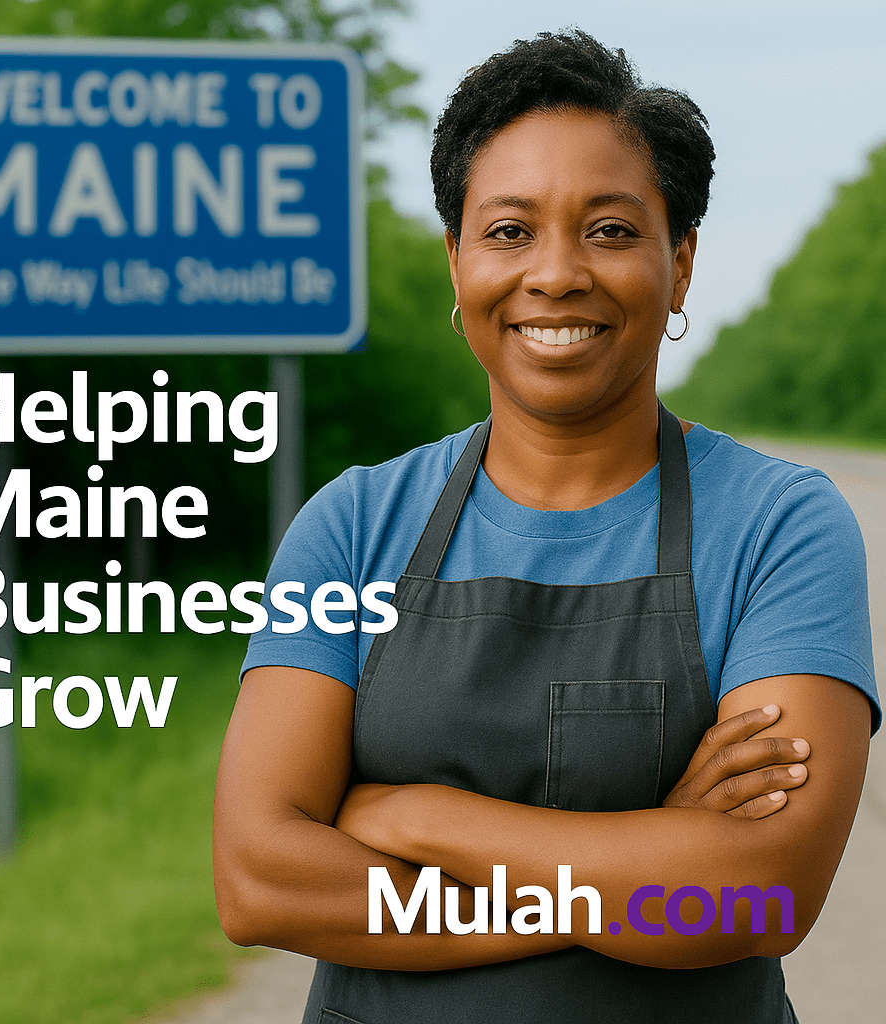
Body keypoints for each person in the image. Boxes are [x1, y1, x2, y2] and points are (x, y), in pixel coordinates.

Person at [213, 29, 880, 1024]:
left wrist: (419, 817)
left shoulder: (778, 526)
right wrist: (641, 870)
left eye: (609, 230)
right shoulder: (349, 528)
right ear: (457, 262)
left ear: (680, 263)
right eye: (509, 231)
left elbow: (759, 892)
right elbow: (261, 880)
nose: (557, 273)